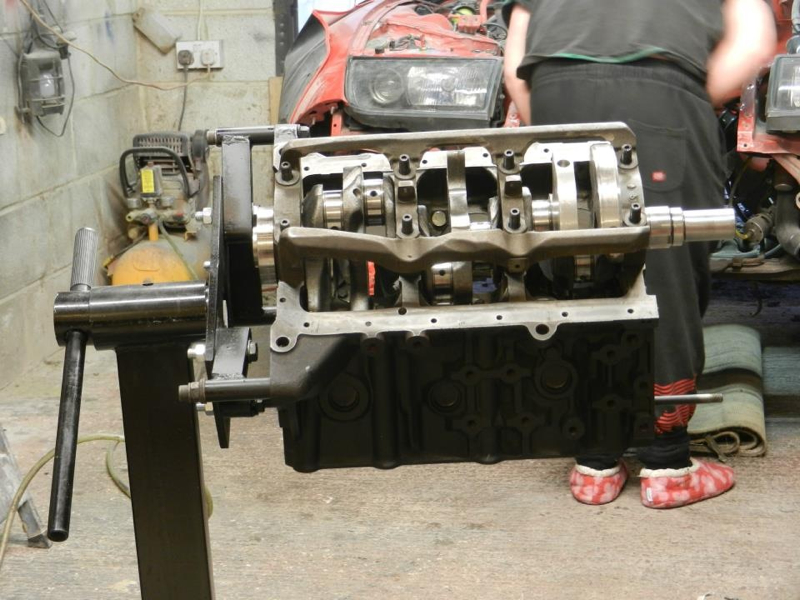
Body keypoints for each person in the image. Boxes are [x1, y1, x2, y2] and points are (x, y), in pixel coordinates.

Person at [503, 0, 776, 508]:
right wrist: (686, 96)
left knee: (575, 267)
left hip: (555, 93)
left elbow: (515, 62)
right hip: (661, 91)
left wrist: (554, 119)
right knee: (664, 267)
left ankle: (595, 463)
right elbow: (755, 43)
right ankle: (667, 463)